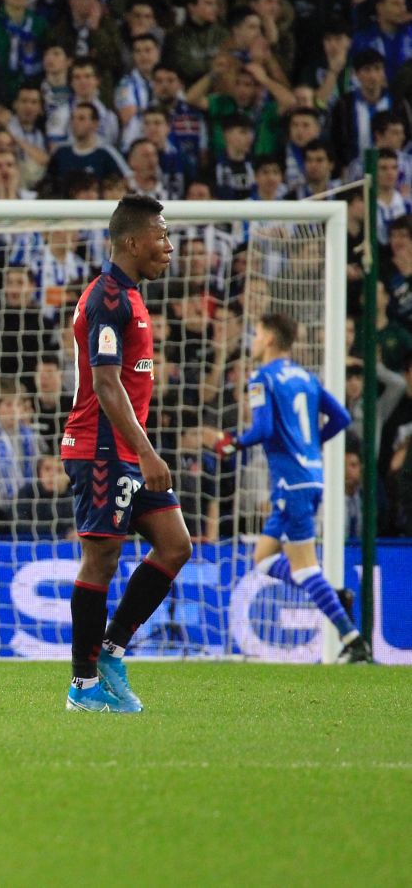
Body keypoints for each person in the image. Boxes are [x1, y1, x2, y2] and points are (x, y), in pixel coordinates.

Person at [60, 194, 192, 713]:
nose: (169, 246)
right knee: (102, 559)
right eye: (161, 236)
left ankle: (111, 652)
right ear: (133, 242)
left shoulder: (129, 294)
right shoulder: (108, 298)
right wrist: (148, 454)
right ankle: (83, 686)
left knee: (175, 545)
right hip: (101, 449)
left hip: (122, 450)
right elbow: (107, 384)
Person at [212, 313, 371, 662]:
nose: (252, 340)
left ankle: (353, 639)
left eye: (256, 334)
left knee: (303, 568)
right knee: (262, 559)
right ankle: (333, 597)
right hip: (309, 477)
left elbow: (264, 428)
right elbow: (341, 418)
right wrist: (312, 446)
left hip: (291, 483)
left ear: (269, 339)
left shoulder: (261, 378)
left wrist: (232, 443)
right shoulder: (306, 377)